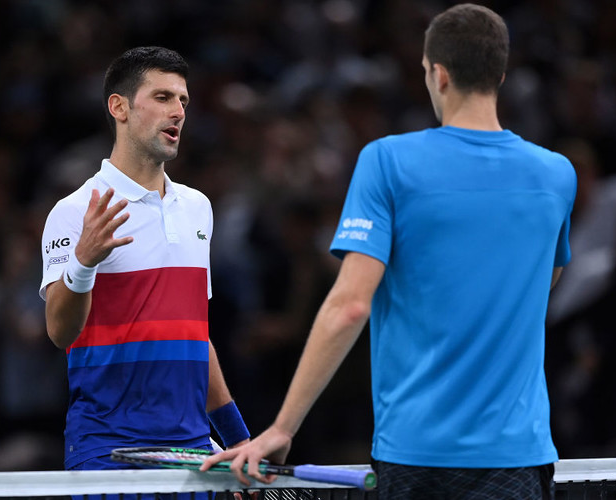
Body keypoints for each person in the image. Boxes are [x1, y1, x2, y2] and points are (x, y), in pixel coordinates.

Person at [202, 4, 577, 499]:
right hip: (515, 459)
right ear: (501, 74)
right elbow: (543, 281)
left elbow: (350, 304)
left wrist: (283, 428)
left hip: (412, 456)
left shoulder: (387, 161)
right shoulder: (557, 175)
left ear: (438, 74)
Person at [39, 47, 250, 477]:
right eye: (162, 98)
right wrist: (83, 262)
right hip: (107, 452)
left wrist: (239, 438)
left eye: (183, 101)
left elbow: (193, 335)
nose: (178, 112)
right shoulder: (75, 210)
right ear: (119, 107)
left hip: (193, 452)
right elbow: (60, 333)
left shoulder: (198, 207)